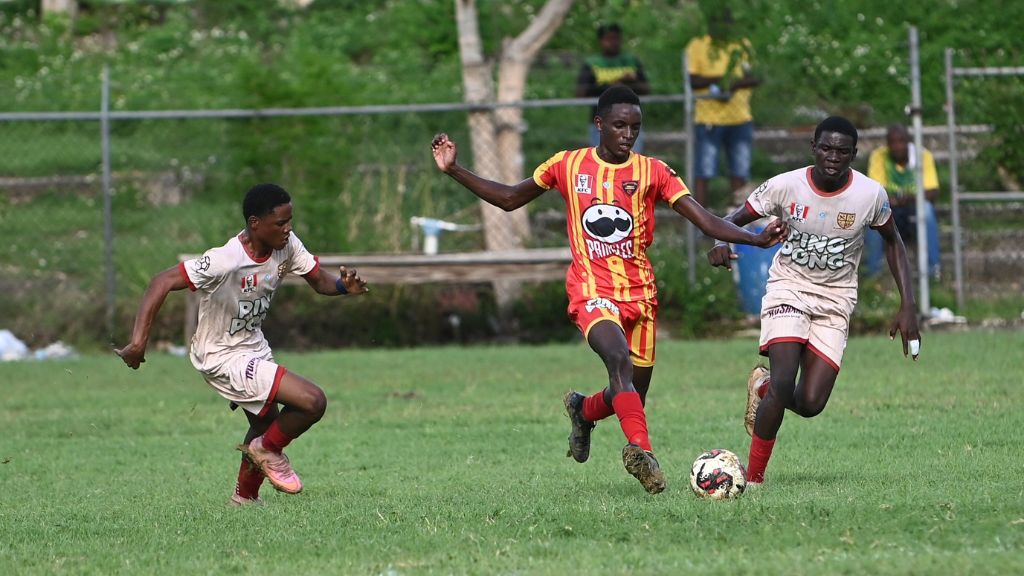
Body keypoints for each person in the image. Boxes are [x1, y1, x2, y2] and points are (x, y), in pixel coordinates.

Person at [431, 86, 787, 494]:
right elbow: (510, 198)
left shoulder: (654, 171)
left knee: (631, 392)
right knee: (617, 359)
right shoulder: (567, 165)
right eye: (619, 125)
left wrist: (753, 239)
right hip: (591, 288)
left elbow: (704, 220)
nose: (628, 133)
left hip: (641, 294)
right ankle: (643, 455)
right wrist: (455, 170)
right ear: (598, 124)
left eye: (635, 126)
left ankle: (583, 409)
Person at [115, 183, 369, 505]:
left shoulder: (286, 245)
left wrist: (343, 287)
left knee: (265, 423)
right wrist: (138, 343)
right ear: (254, 223)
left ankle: (244, 499)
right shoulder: (226, 259)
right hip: (220, 355)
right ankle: (266, 449)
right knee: (312, 401)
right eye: (280, 223)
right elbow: (161, 281)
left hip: (253, 347)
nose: (288, 229)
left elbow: (320, 281)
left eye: (290, 221)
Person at [706, 116, 921, 485]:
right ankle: (753, 481)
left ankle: (761, 385)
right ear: (813, 148)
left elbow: (892, 241)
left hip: (836, 299)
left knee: (810, 404)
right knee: (785, 382)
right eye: (826, 148)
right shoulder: (785, 186)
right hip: (789, 287)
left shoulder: (870, 195)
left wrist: (908, 305)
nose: (833, 157)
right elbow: (733, 218)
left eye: (842, 151)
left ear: (853, 154)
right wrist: (721, 241)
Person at [686, 6, 761, 207]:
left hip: (740, 118)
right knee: (704, 171)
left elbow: (755, 76)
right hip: (709, 119)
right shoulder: (698, 45)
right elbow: (693, 80)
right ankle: (701, 223)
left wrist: (733, 86)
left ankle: (736, 223)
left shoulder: (741, 45)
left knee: (740, 171)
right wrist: (722, 82)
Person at [864, 124, 942, 279]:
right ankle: (872, 274)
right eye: (892, 142)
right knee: (873, 214)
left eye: (901, 141)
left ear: (909, 142)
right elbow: (874, 191)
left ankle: (933, 271)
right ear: (887, 144)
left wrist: (907, 198)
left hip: (914, 205)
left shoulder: (922, 156)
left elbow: (932, 192)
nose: (897, 146)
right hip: (889, 207)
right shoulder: (879, 156)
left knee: (926, 210)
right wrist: (894, 200)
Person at [576, 23, 651, 152]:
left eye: (616, 38)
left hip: (630, 123)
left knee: (631, 162)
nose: (613, 42)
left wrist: (632, 82)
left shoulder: (631, 61)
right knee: (602, 161)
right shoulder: (592, 63)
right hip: (602, 124)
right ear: (601, 41)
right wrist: (614, 85)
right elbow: (580, 93)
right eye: (608, 39)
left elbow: (646, 89)